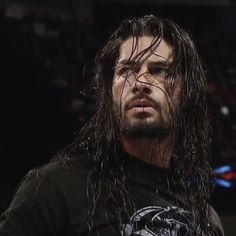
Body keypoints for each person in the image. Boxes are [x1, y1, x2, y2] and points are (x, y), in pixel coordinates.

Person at [0, 15, 224, 236]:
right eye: (126, 70)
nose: (140, 82)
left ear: (187, 92)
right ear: (110, 92)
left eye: (159, 70)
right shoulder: (55, 190)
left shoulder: (206, 218)